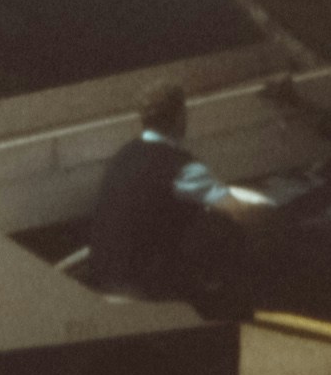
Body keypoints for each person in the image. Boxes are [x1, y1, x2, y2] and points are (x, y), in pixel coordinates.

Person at [90, 82, 230, 301]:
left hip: (108, 279)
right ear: (180, 117)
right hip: (149, 288)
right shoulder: (179, 167)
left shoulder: (124, 156)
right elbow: (237, 209)